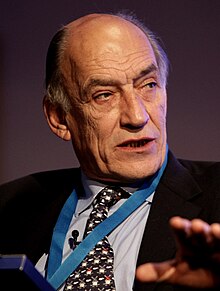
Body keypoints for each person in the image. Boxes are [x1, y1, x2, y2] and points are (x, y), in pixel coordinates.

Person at [0, 12, 220, 291]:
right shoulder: (9, 207)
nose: (137, 116)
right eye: (104, 94)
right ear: (58, 117)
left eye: (148, 85)